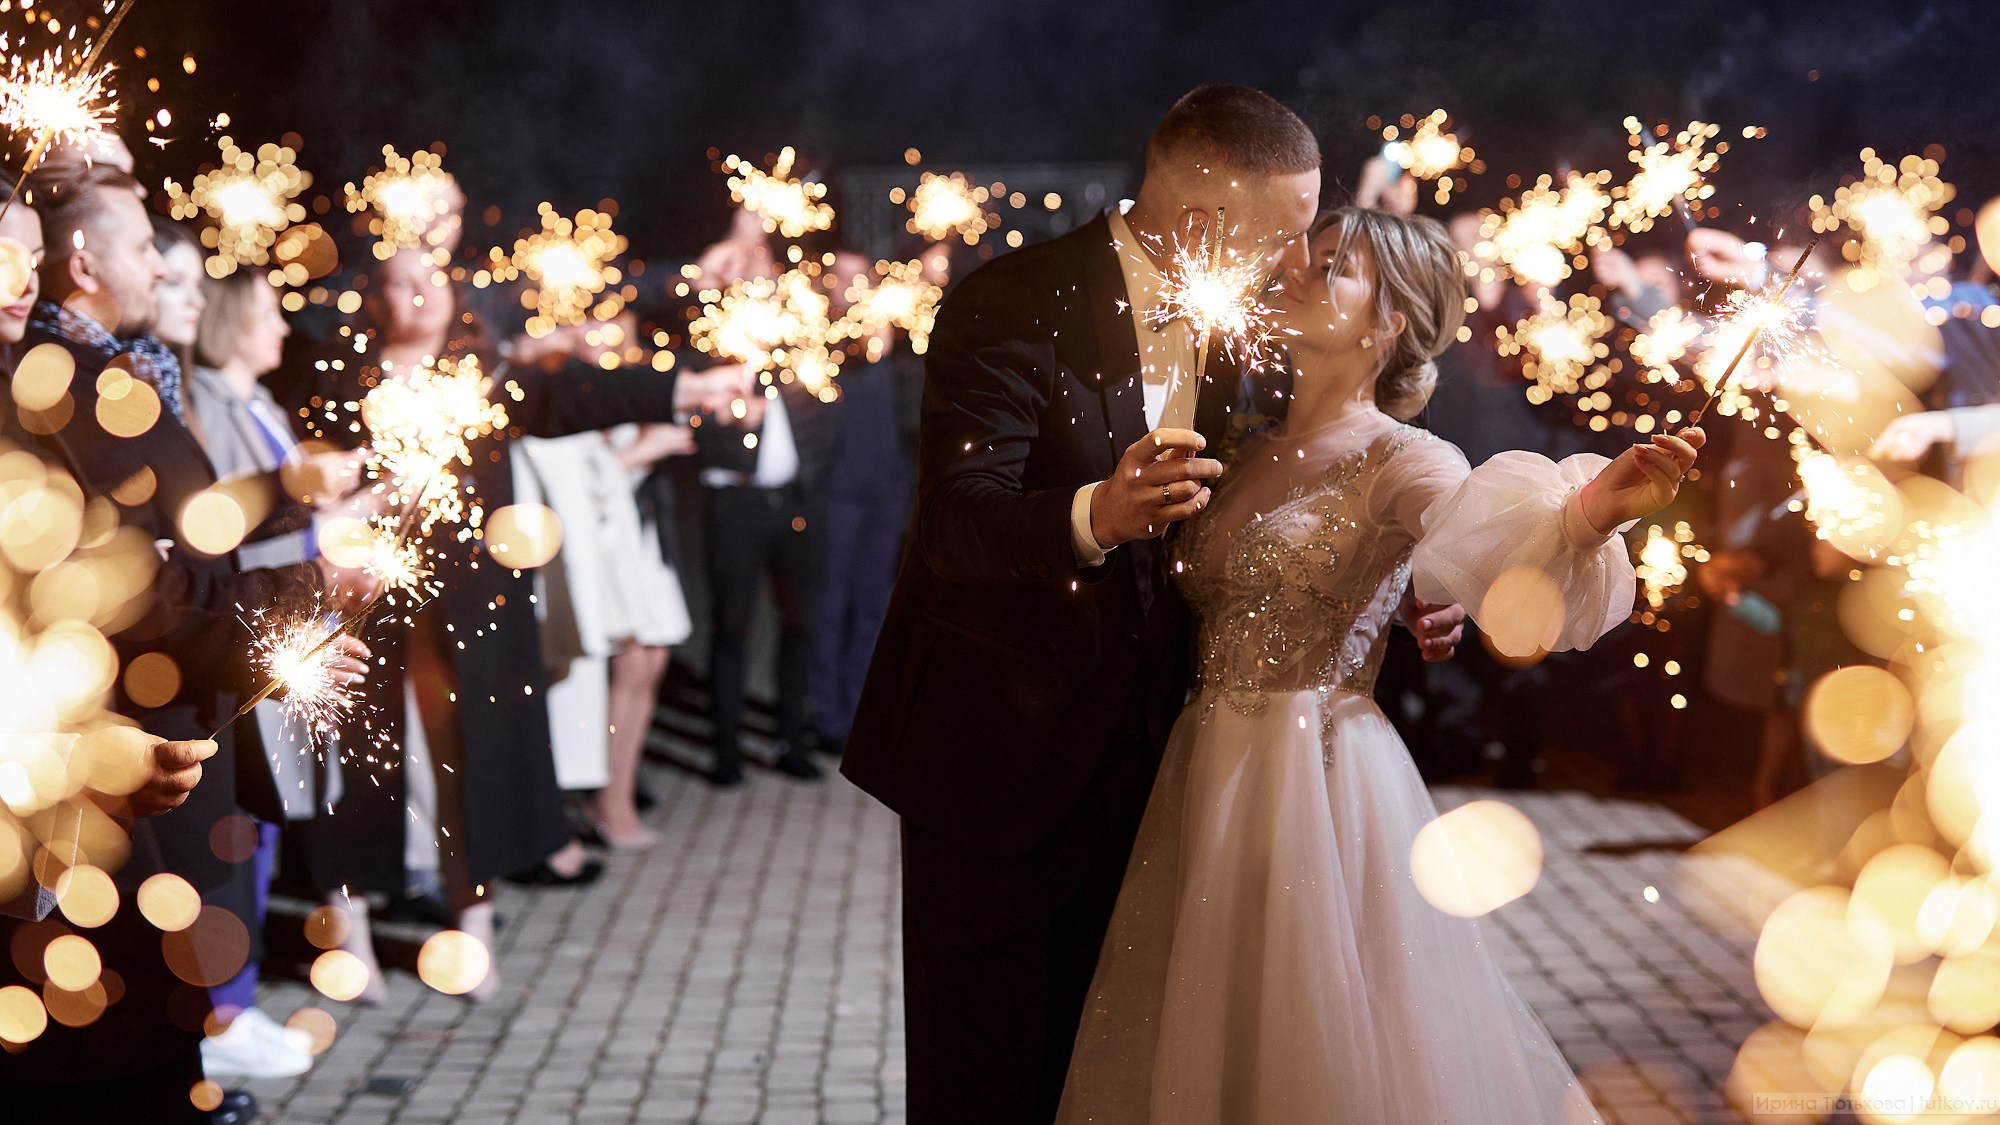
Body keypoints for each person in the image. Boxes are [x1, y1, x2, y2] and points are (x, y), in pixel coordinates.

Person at [843, 87, 1463, 1122]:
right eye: (1281, 234)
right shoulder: (1013, 299)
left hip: (1157, 775)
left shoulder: (1243, 335)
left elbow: (1289, 504)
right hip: (999, 763)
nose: (1292, 263)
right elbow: (954, 521)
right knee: (985, 1080)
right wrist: (1100, 510)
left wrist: (1378, 583)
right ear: (1202, 211)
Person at [1056, 206, 1703, 1123]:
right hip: (1202, 766)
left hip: (1314, 774)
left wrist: (1589, 512)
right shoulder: (1238, 444)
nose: (1295, 269)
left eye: (1331, 265)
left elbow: (1493, 547)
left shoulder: (1408, 458)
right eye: (1302, 254)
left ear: (1387, 320)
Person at [4, 160, 368, 1123]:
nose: (167, 269)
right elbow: (139, 588)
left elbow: (180, 533)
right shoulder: (55, 386)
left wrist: (290, 498)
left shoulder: (100, 372)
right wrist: (306, 595)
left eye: (29, 260)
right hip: (110, 736)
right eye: (143, 249)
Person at [183, 268, 344, 1078]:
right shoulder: (209, 406)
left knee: (270, 814)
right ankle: (224, 1011)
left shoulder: (262, 404)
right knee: (242, 819)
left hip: (291, 612)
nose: (283, 329)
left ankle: (238, 1002)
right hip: (253, 622)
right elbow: (225, 528)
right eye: (269, 315)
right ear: (233, 323)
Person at [513, 314, 694, 847]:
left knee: (650, 662)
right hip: (597, 551)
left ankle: (619, 790)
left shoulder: (627, 380)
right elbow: (575, 483)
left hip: (635, 541)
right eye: (592, 326)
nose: (604, 336)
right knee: (623, 665)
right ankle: (606, 802)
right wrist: (643, 451)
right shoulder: (559, 392)